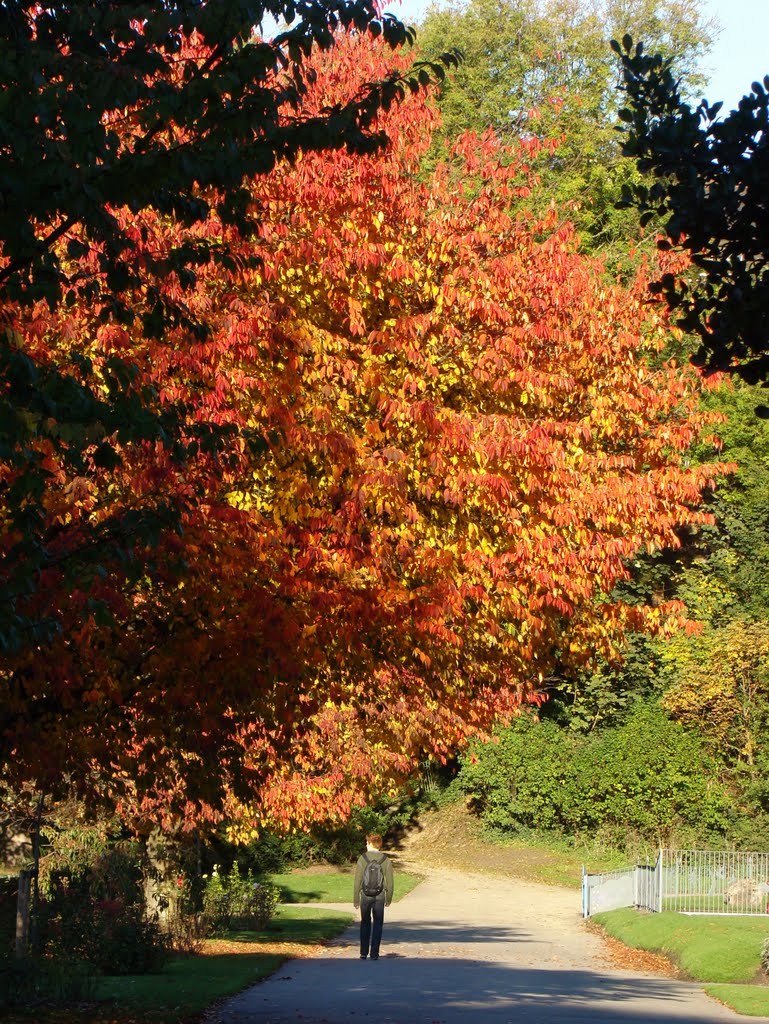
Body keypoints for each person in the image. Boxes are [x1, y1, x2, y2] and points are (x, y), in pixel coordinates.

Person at [353, 832, 394, 960]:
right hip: (380, 896)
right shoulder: (385, 860)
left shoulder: (362, 858)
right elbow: (390, 882)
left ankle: (363, 952)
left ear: (370, 844)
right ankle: (374, 953)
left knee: (365, 923)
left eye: (367, 842)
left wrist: (356, 900)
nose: (366, 844)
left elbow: (358, 880)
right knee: (378, 923)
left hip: (365, 895)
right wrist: (389, 898)